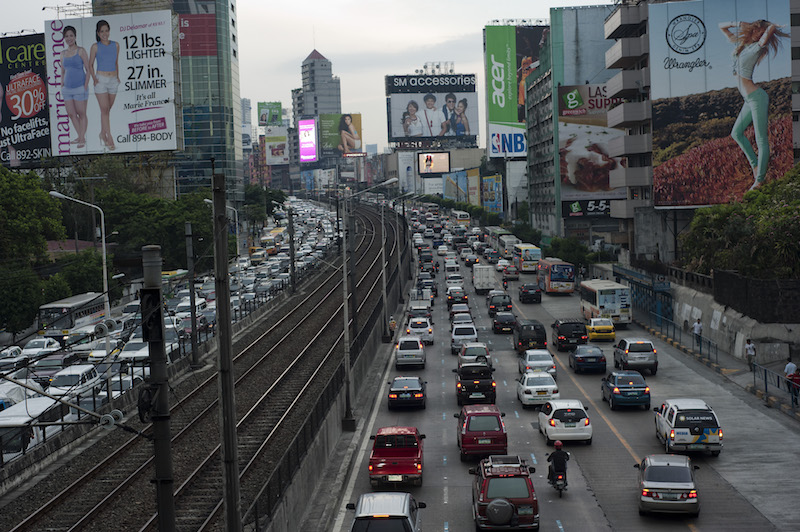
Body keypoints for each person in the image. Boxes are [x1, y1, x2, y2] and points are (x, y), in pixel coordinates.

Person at [719, 20, 789, 191]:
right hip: (749, 100)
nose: (761, 34)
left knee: (761, 140)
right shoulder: (740, 43)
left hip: (757, 98)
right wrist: (738, 23)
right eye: (759, 30)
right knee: (736, 133)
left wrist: (773, 27)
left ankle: (760, 180)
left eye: (763, 32)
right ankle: (756, 166)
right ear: (754, 28)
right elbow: (721, 26)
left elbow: (767, 35)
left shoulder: (757, 47)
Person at [89, 19, 120, 150]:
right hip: (101, 80)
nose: (105, 33)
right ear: (98, 32)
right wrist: (94, 79)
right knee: (104, 110)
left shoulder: (116, 45)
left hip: (113, 81)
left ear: (109, 31)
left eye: (106, 30)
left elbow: (116, 61)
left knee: (107, 110)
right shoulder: (95, 46)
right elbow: (90, 64)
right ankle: (109, 137)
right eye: (102, 31)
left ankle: (102, 132)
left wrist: (118, 76)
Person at [60, 25, 90, 148]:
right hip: (67, 89)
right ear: (64, 38)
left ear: (75, 36)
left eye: (71, 35)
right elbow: (62, 71)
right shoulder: (63, 53)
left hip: (80, 87)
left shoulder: (81, 51)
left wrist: (85, 85)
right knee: (71, 114)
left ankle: (82, 138)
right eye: (66, 36)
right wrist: (62, 85)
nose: (69, 38)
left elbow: (88, 69)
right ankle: (80, 136)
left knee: (81, 113)